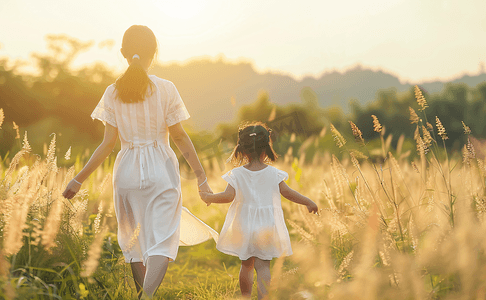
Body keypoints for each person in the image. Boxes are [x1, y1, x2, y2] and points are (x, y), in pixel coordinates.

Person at [62, 25, 215, 299]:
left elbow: (108, 144)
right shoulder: (166, 88)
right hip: (162, 171)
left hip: (126, 172)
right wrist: (201, 179)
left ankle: (141, 296)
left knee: (132, 242)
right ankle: (145, 298)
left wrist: (78, 180)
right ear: (154, 53)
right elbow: (179, 136)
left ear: (123, 53)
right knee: (162, 241)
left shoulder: (112, 91)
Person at [199, 122, 318, 300]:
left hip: (244, 225)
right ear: (267, 148)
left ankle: (245, 297)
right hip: (267, 227)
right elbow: (288, 193)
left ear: (242, 149)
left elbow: (227, 196)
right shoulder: (274, 173)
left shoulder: (237, 174)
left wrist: (209, 198)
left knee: (246, 265)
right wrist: (308, 201)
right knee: (263, 266)